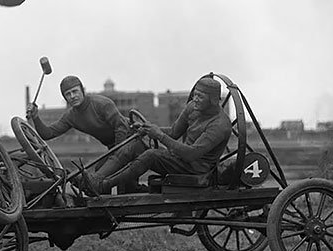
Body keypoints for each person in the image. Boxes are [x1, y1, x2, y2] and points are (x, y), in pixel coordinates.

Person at [85, 77, 231, 193]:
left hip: (196, 170)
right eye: (195, 95)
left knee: (151, 155)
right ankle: (96, 179)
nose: (195, 99)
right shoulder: (193, 107)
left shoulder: (219, 125)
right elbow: (174, 132)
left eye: (200, 96)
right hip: (181, 160)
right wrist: (147, 128)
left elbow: (191, 154)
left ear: (212, 99)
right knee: (135, 146)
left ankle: (104, 186)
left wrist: (159, 135)